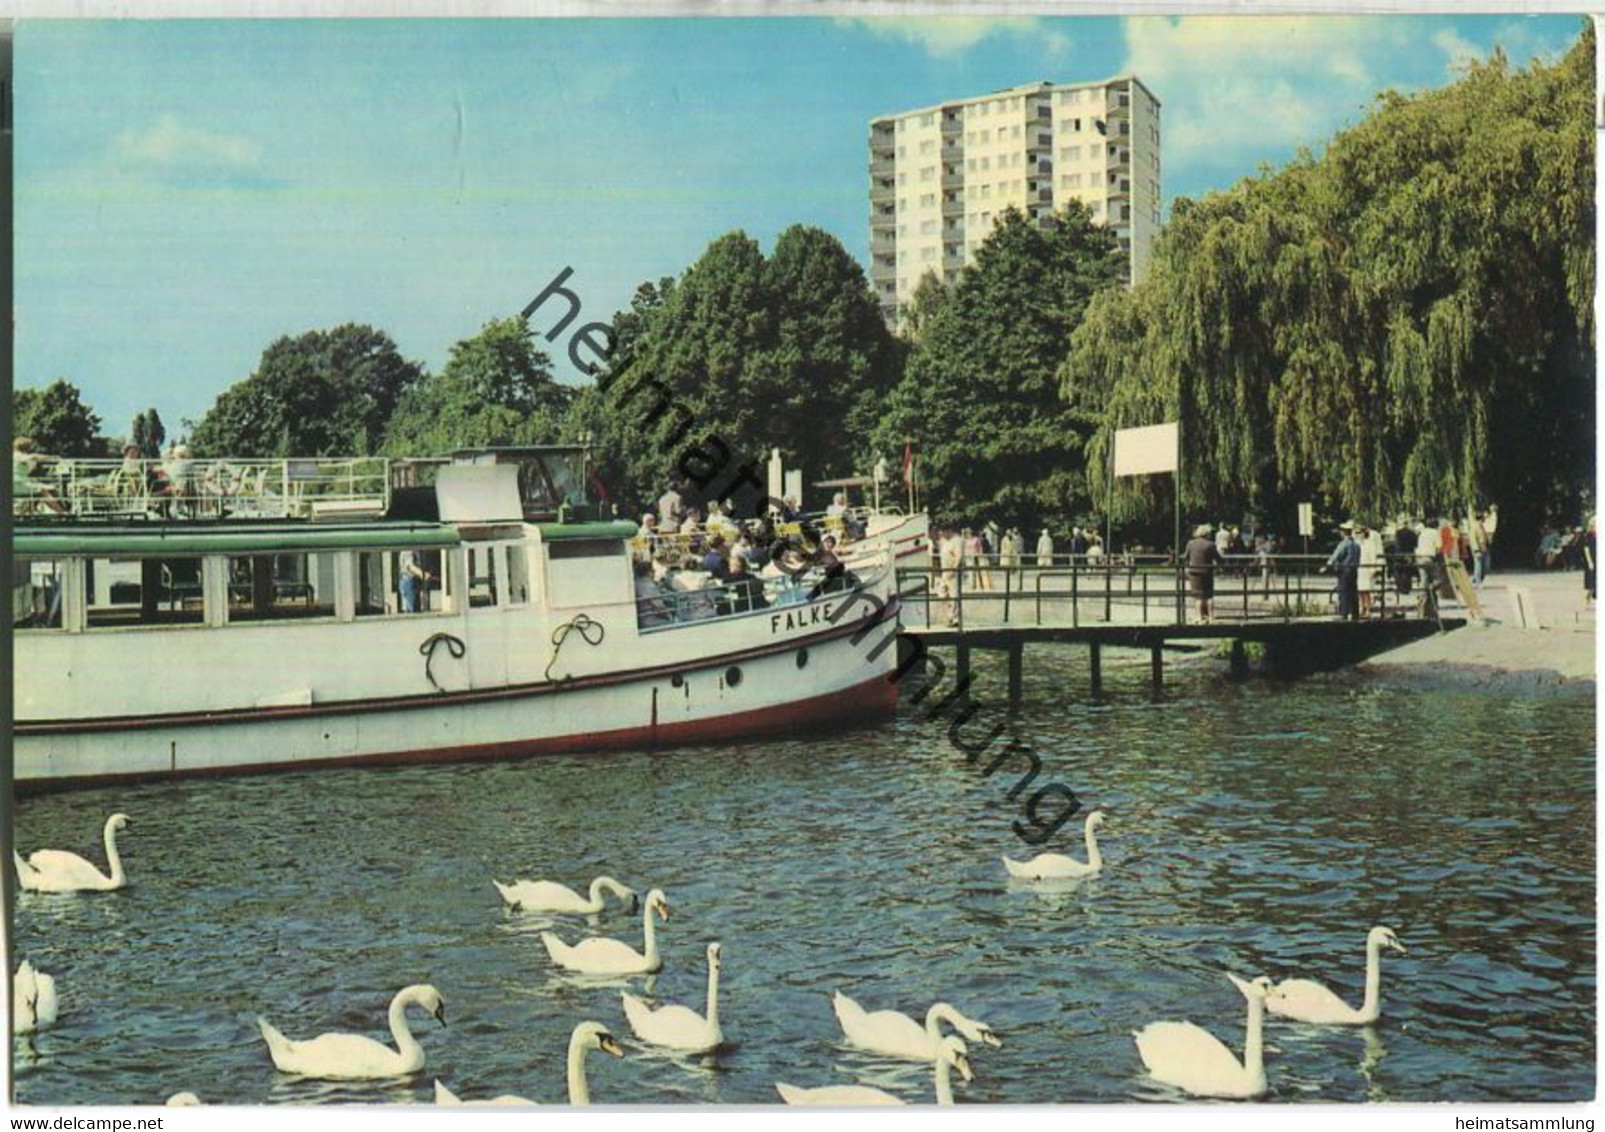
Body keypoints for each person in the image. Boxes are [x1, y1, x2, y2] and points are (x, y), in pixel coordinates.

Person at [1182, 524, 1223, 623]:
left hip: (1194, 572)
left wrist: (1187, 566)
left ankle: (1198, 617)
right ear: (1207, 534)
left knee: (1198, 597)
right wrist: (1220, 566)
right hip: (1207, 572)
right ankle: (1211, 617)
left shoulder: (1190, 544)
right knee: (1209, 595)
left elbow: (1185, 557)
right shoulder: (1210, 544)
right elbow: (1218, 558)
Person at [1326, 521, 1360, 621]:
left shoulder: (1344, 544)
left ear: (1343, 532)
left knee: (1344, 592)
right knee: (1353, 592)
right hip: (1354, 571)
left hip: (1344, 571)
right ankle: (1355, 614)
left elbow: (1336, 555)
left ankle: (1344, 614)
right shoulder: (1356, 545)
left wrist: (1327, 565)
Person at [634, 557, 673, 627]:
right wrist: (670, 616)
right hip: (651, 620)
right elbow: (659, 606)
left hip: (641, 619)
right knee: (677, 621)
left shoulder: (636, 583)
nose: (654, 573)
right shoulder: (649, 586)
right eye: (653, 571)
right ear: (648, 572)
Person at [1357, 522, 1383, 618]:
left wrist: (1373, 569)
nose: (1359, 535)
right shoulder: (1358, 544)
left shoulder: (1369, 544)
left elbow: (1372, 557)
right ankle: (1361, 608)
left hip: (1366, 569)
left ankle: (1368, 609)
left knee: (1366, 591)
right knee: (1360, 591)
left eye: (1360, 533)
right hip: (1359, 569)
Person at [1584, 516, 1596, 609]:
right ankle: (1587, 601)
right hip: (1591, 561)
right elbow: (1586, 549)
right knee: (1592, 585)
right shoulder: (1588, 535)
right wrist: (1590, 562)